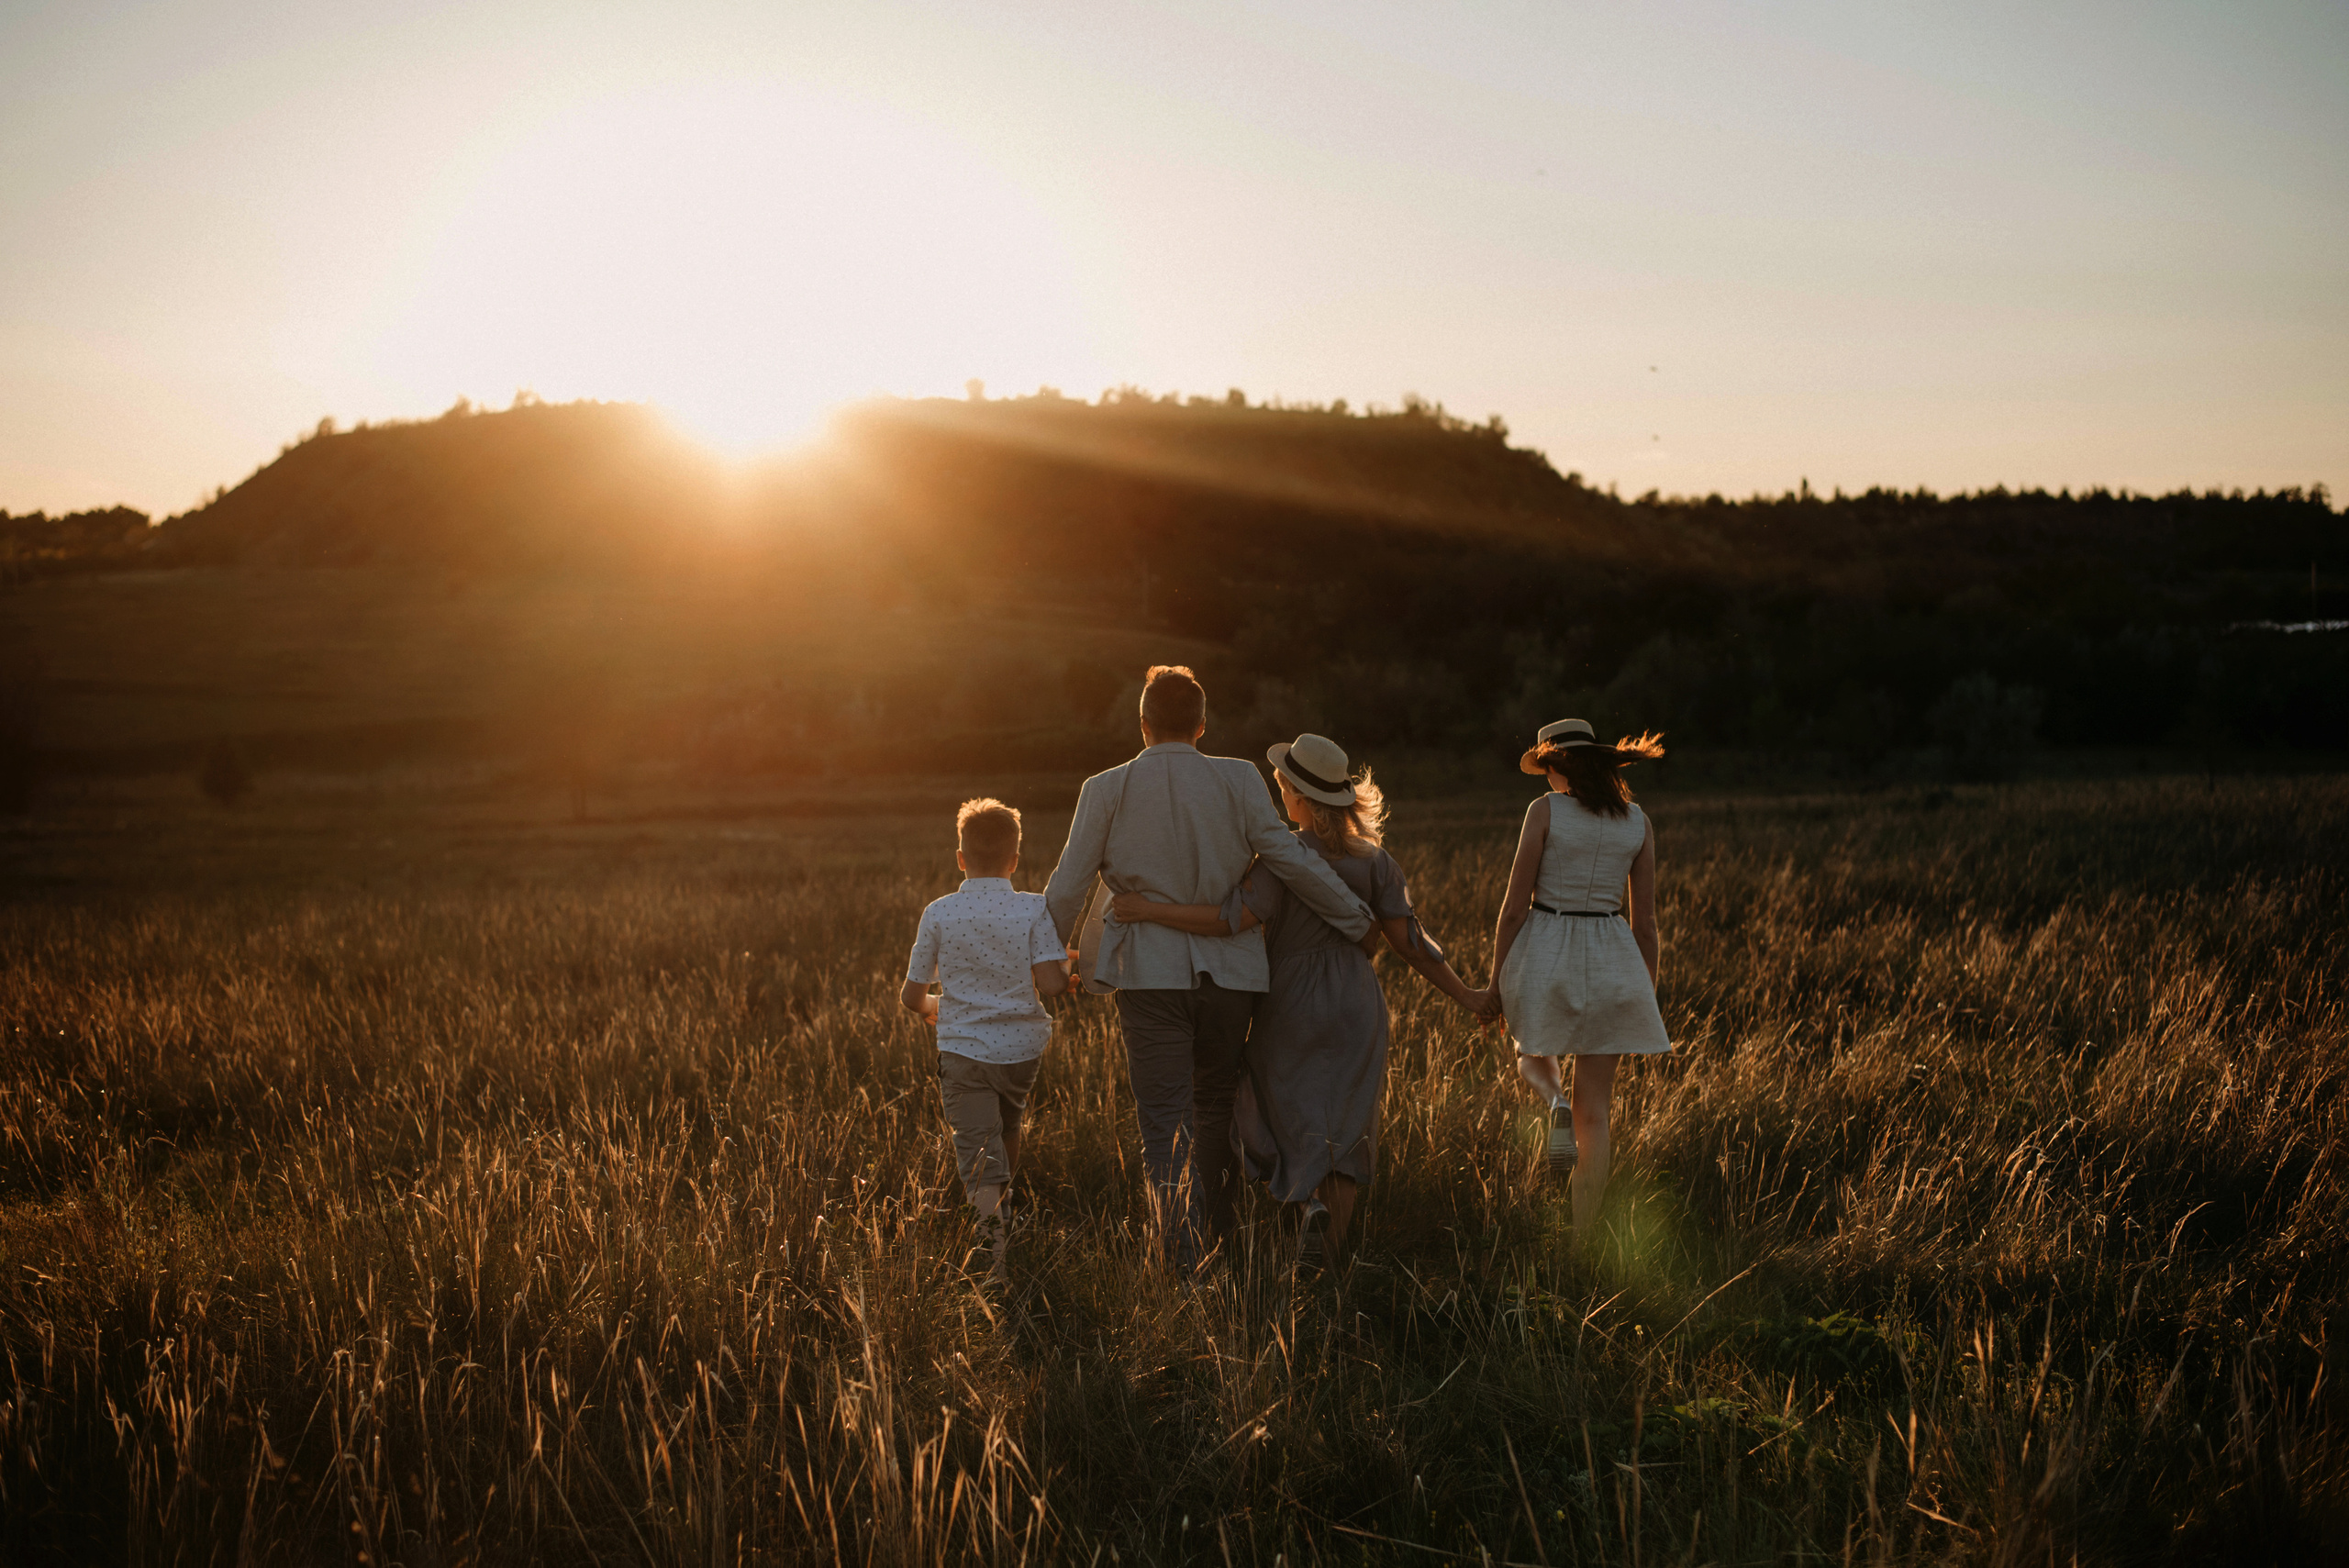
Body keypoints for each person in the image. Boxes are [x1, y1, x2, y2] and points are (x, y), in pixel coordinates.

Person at [1112, 732, 1497, 1273]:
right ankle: (1329, 1266)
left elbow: (1231, 920)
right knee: (1347, 1127)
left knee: (1262, 1103)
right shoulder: (1375, 861)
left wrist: (1149, 911)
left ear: (1295, 795)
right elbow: (1412, 943)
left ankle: (1305, 1200)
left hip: (1289, 1001)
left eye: (1281, 785)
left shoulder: (1281, 858)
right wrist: (1469, 996)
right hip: (1356, 1004)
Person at [1044, 668, 1376, 1273]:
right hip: (1232, 979)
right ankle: (1221, 1235)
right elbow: (1286, 858)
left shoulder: (1105, 787)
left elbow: (1066, 888)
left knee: (1164, 1119)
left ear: (1142, 725)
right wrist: (1353, 915)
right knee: (1215, 1106)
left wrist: (1038, 964)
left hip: (1149, 974)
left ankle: (1183, 1258)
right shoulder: (1238, 776)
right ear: (1202, 726)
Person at [1488, 718, 1672, 1237]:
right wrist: (1644, 995)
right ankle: (1583, 1235)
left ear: (1557, 767)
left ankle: (1554, 1102)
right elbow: (1647, 924)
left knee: (1530, 1053)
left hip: (1549, 945)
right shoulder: (1637, 821)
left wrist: (1495, 981)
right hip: (1613, 955)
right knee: (1599, 1111)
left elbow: (1513, 908)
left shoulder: (1544, 811)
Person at [900, 798, 1072, 1278]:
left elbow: (913, 998)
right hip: (1021, 1052)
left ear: (960, 858)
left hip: (964, 1050)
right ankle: (1004, 1206)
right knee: (1008, 1126)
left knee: (976, 1148)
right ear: (1014, 861)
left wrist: (939, 1008)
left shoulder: (939, 913)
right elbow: (1054, 985)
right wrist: (1067, 965)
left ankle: (993, 1263)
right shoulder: (1034, 909)